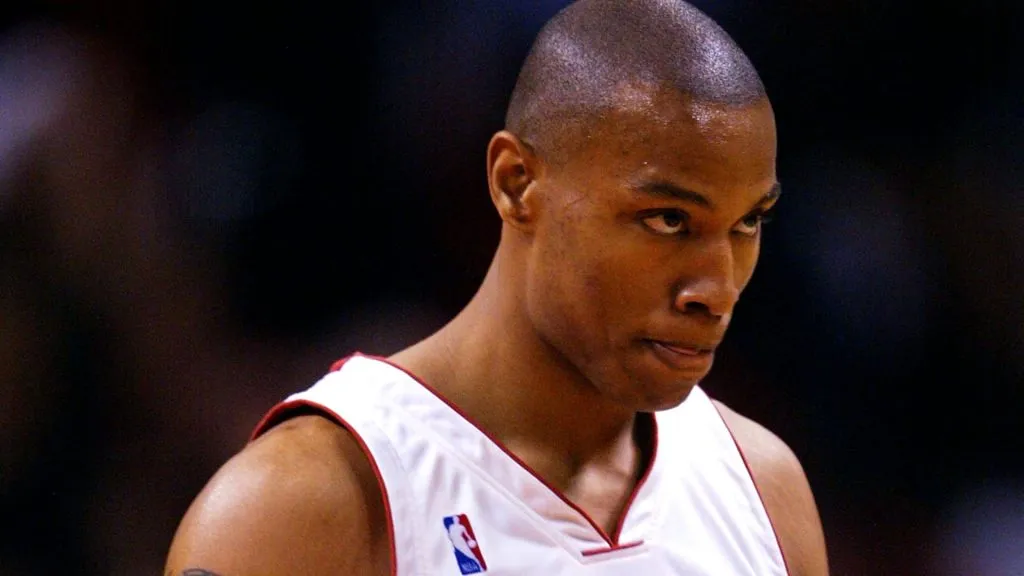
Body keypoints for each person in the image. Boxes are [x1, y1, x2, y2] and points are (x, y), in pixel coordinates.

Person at [164, 0, 829, 574]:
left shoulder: (764, 490)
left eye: (748, 223)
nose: (717, 289)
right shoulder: (298, 507)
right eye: (668, 219)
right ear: (517, 184)